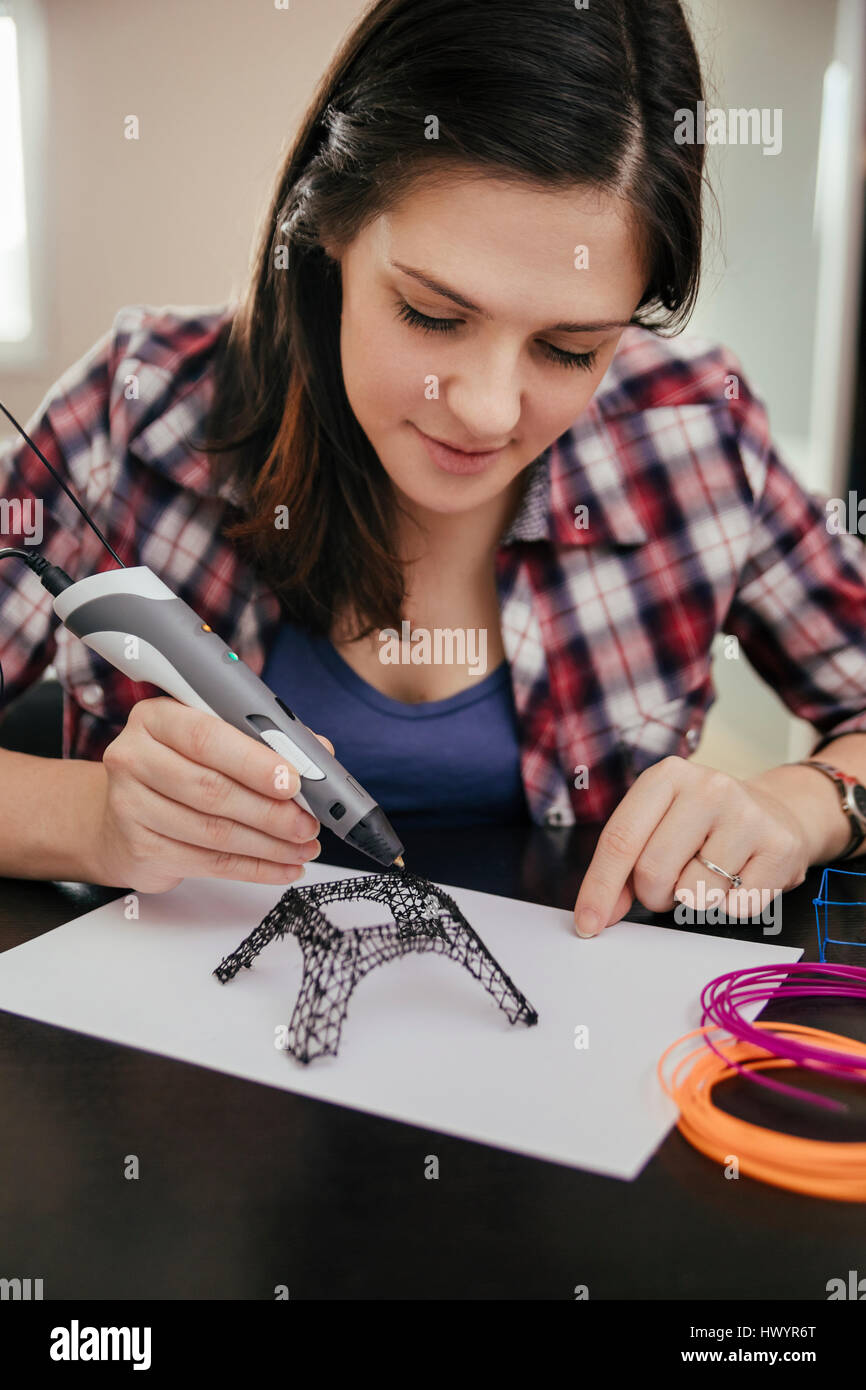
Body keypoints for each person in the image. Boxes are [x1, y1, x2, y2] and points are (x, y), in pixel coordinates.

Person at [2, 0, 866, 937]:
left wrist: (808, 802)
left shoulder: (694, 435)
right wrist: (93, 823)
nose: (490, 411)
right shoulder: (138, 410)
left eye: (571, 348)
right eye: (433, 315)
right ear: (327, 226)